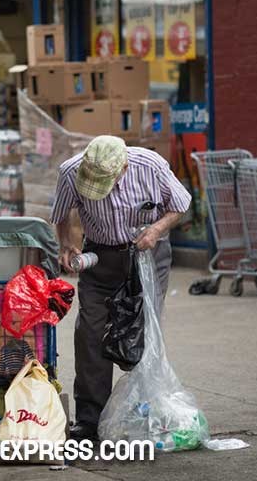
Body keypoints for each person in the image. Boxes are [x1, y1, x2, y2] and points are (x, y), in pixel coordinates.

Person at [49, 135, 191, 441]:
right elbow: (61, 213)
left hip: (148, 255)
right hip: (100, 257)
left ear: (123, 167)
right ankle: (89, 420)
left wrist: (155, 229)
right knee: (90, 332)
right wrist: (67, 243)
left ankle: (143, 411)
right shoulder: (71, 171)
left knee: (142, 333)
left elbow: (180, 203)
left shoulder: (150, 165)